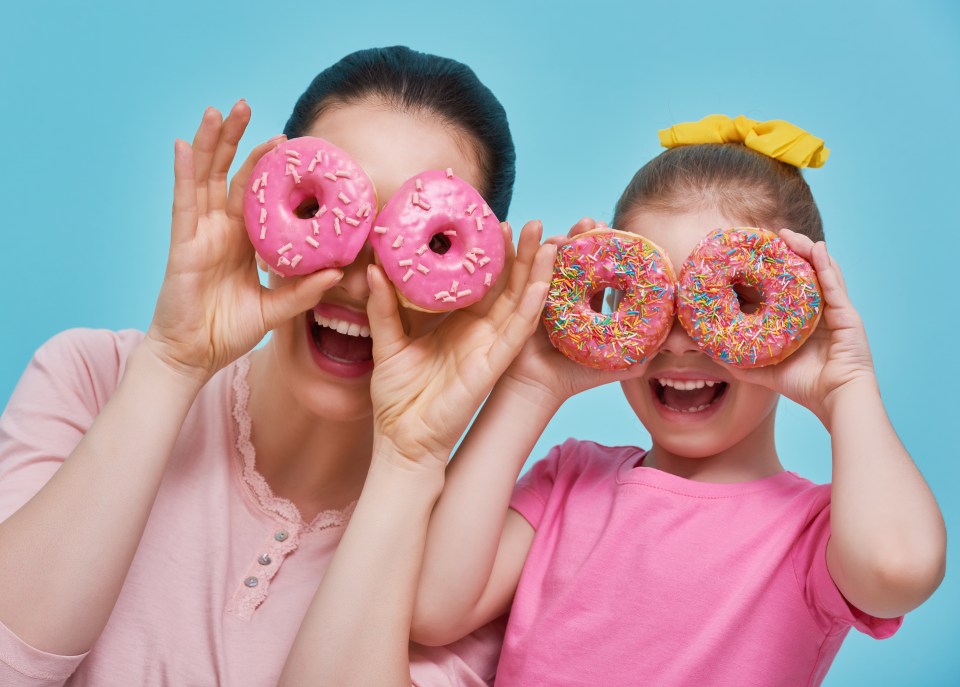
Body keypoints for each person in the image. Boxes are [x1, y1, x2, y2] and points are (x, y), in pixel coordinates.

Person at [0, 45, 556, 686]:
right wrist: (173, 364)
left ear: (480, 283)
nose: (357, 278)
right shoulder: (93, 380)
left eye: (425, 241)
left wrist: (409, 464)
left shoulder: (460, 569)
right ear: (267, 206)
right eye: (323, 212)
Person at [408, 115, 947, 685]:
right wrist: (528, 386)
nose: (682, 339)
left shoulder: (814, 532)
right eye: (653, 300)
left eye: (731, 298)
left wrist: (847, 387)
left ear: (799, 314)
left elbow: (897, 570)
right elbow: (430, 608)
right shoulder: (570, 480)